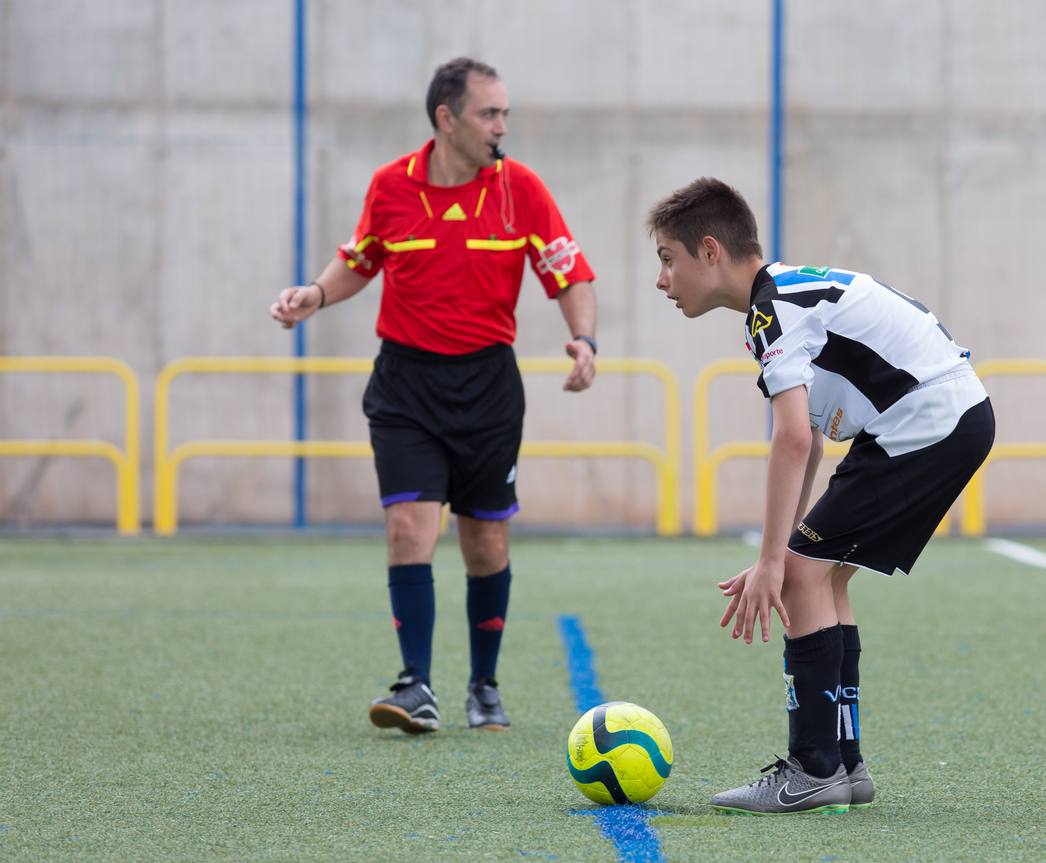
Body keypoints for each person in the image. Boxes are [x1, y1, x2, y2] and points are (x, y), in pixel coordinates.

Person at [647, 177, 994, 814]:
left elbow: (789, 442)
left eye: (668, 260)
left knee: (804, 572)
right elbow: (805, 434)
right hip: (939, 416)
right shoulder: (780, 297)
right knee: (824, 578)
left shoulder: (771, 307)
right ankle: (845, 763)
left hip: (928, 419)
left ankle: (813, 769)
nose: (662, 280)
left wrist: (777, 559)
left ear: (709, 250)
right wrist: (781, 552)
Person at [271, 58, 597, 735]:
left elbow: (569, 274)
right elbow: (361, 259)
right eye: (489, 114)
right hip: (406, 386)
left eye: (504, 113)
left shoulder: (522, 190)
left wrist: (583, 340)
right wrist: (317, 294)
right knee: (407, 526)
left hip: (487, 387)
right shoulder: (390, 186)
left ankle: (484, 685)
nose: (501, 127)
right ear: (446, 119)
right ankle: (416, 684)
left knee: (485, 541)